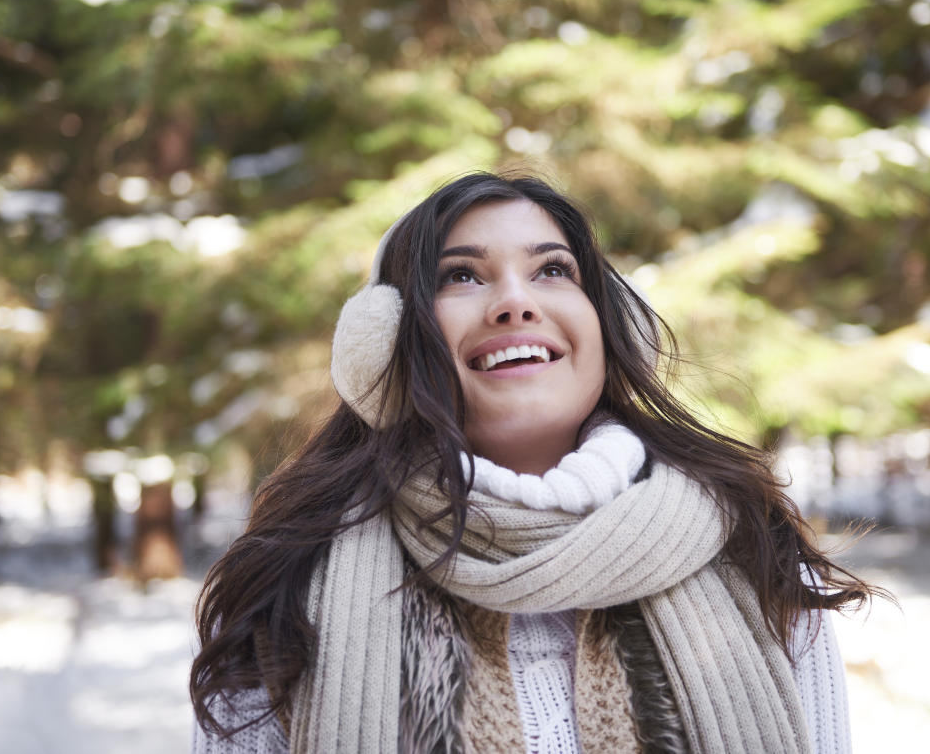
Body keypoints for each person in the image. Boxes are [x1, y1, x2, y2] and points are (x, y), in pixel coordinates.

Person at [190, 172, 876, 754]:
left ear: (610, 324)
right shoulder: (287, 598)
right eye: (461, 274)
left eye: (552, 269)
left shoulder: (754, 559)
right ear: (387, 341)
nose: (515, 301)